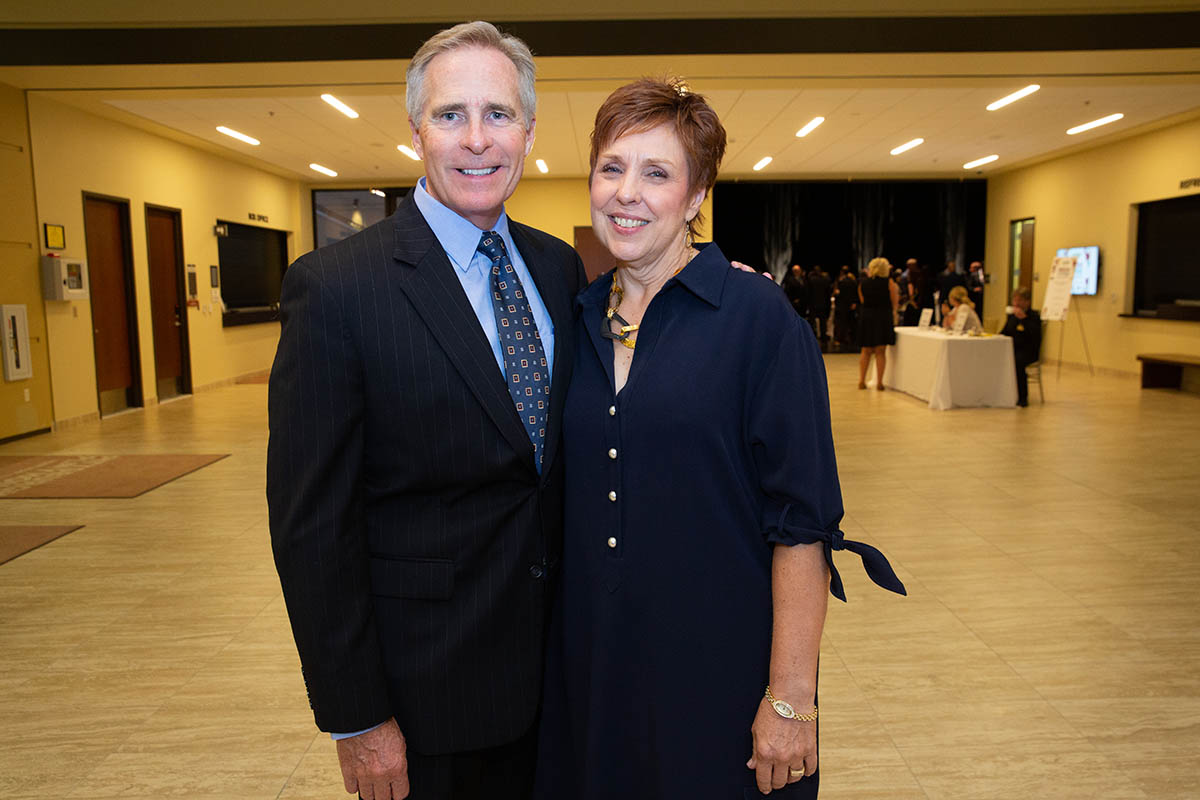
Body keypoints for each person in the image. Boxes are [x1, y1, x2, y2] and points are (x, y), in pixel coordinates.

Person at [535, 77, 905, 800]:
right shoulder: (572, 319)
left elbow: (801, 525)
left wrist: (791, 699)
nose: (626, 193)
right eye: (611, 168)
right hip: (593, 673)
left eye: (657, 173)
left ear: (697, 195)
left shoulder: (758, 320)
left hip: (718, 673)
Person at [266, 22, 589, 800]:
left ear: (530, 130)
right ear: (417, 130)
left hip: (570, 678)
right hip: (427, 707)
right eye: (451, 115)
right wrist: (357, 717)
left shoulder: (556, 266)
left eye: (498, 114)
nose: (477, 139)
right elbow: (312, 527)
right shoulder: (337, 290)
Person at [857, 257, 899, 390]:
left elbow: (863, 300)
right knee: (881, 351)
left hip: (867, 316)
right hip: (883, 317)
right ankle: (880, 382)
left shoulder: (863, 283)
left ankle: (861, 380)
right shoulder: (889, 283)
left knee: (865, 350)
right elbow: (894, 302)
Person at [1001, 286, 1042, 406]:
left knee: (1017, 361)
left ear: (1027, 302)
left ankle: (1023, 397)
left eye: (1019, 300)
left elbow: (1034, 335)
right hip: (1012, 348)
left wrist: (1023, 319)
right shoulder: (1012, 317)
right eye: (1014, 300)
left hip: (1028, 351)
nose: (1016, 303)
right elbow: (1005, 332)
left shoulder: (1034, 316)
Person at [806, 265, 832, 350]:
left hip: (813, 304)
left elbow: (808, 293)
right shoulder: (825, 280)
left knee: (812, 322)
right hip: (823, 304)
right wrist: (828, 305)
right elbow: (828, 294)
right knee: (823, 323)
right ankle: (823, 338)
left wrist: (808, 304)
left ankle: (811, 338)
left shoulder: (811, 280)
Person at [833, 265, 858, 351]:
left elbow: (838, 294)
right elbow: (855, 293)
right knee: (851, 322)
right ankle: (852, 339)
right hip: (850, 305)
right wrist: (854, 302)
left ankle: (841, 339)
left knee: (841, 323)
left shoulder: (841, 282)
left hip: (842, 305)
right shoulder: (853, 281)